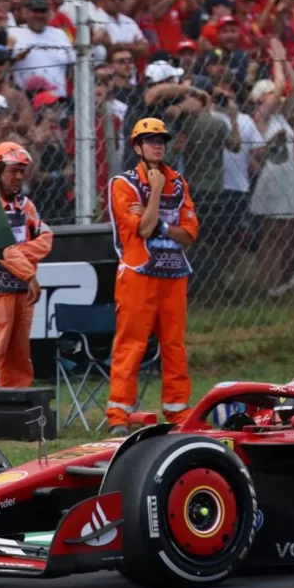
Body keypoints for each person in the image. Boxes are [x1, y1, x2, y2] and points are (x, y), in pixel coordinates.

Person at [105, 118, 199, 435]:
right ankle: (119, 414)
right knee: (131, 345)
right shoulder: (124, 184)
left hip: (174, 273)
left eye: (161, 139)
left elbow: (189, 234)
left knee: (174, 345)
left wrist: (161, 226)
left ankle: (177, 410)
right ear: (137, 146)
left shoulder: (180, 182)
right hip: (138, 275)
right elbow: (142, 229)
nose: (157, 144)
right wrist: (156, 191)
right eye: (149, 140)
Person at [0, 141, 54, 388]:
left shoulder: (25, 205)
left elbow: (46, 238)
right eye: (12, 171)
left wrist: (17, 254)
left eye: (22, 171)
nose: (18, 177)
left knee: (19, 357)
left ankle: (17, 410)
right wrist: (28, 273)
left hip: (20, 292)